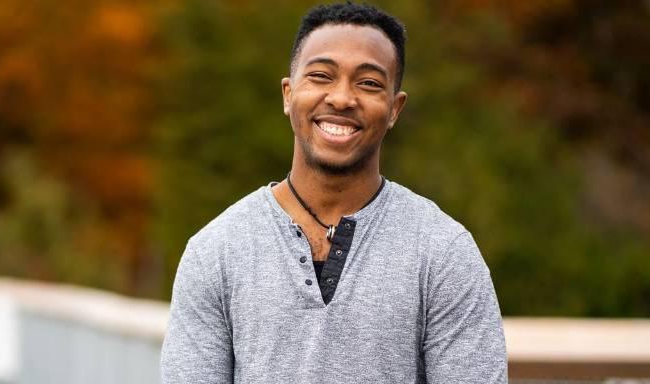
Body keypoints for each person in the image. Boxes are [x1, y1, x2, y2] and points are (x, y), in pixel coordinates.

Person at [160, 3, 508, 383]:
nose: (342, 98)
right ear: (288, 94)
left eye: (369, 83)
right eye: (322, 76)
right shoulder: (214, 253)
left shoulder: (444, 252)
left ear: (395, 109)